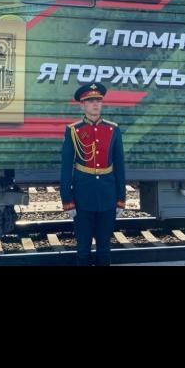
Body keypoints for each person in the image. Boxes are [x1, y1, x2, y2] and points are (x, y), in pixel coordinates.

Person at [60, 82, 126, 266]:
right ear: (82, 105)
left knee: (104, 248)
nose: (95, 104)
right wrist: (67, 199)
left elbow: (120, 166)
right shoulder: (74, 130)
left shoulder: (113, 129)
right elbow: (66, 168)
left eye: (98, 100)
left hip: (107, 196)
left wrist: (121, 198)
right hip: (82, 196)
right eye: (90, 101)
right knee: (83, 248)